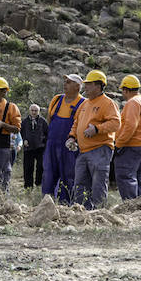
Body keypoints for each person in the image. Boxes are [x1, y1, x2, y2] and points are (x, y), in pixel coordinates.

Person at [66, 70, 120, 209]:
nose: (86, 87)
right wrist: (72, 137)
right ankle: (81, 214)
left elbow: (115, 123)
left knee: (98, 185)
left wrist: (97, 129)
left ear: (98, 86)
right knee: (80, 185)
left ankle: (98, 215)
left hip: (100, 150)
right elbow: (76, 123)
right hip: (83, 151)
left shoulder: (108, 103)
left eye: (89, 85)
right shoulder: (84, 104)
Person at [41, 73, 85, 203]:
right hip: (52, 144)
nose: (65, 84)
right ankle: (46, 202)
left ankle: (67, 204)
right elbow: (50, 120)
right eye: (65, 81)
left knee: (69, 175)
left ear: (77, 87)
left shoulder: (83, 103)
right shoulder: (56, 100)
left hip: (70, 146)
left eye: (69, 82)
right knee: (48, 173)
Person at [114, 75, 141, 200]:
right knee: (138, 175)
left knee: (125, 176)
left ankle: (130, 206)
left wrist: (118, 144)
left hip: (132, 145)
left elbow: (130, 126)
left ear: (126, 89)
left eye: (122, 90)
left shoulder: (132, 103)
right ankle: (139, 205)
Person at [20, 104, 47, 188]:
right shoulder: (24, 121)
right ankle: (28, 187)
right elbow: (21, 133)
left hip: (40, 148)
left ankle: (39, 184)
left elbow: (47, 133)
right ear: (29, 111)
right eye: (32, 110)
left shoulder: (43, 121)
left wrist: (44, 143)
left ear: (38, 111)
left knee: (40, 166)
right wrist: (24, 140)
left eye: (36, 111)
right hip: (28, 148)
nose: (34, 112)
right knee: (28, 168)